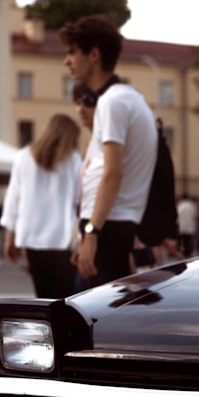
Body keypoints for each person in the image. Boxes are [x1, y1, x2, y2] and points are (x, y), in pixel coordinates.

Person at [61, 15, 157, 288]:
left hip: (108, 226)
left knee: (88, 322)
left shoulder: (112, 102)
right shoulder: (126, 98)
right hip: (112, 225)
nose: (66, 61)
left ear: (93, 54)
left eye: (71, 52)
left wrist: (91, 233)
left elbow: (112, 174)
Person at [0, 114, 82, 298]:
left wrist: (9, 238)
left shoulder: (23, 157)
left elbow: (13, 200)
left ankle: (48, 327)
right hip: (63, 239)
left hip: (32, 238)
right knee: (64, 298)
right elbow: (80, 202)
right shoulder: (74, 160)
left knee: (43, 296)